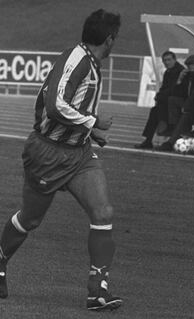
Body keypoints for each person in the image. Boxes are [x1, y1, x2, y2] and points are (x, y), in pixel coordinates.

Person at [0, 9, 123, 311]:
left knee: (103, 212)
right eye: (114, 38)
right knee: (30, 218)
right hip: (47, 153)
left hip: (79, 154)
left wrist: (90, 134)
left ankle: (98, 291)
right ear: (108, 39)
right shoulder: (77, 61)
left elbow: (70, 105)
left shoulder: (90, 61)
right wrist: (92, 123)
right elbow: (55, 106)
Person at [135, 51, 185, 149]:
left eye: (169, 60)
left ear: (174, 60)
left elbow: (175, 89)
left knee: (159, 108)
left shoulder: (180, 71)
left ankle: (164, 130)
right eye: (165, 60)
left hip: (177, 101)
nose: (167, 62)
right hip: (168, 101)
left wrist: (160, 95)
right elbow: (165, 88)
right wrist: (159, 95)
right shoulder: (168, 72)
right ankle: (149, 139)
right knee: (155, 110)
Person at [158, 55, 194, 151]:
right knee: (171, 100)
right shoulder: (188, 74)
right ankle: (173, 127)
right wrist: (180, 79)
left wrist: (186, 104)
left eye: (193, 64)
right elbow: (178, 92)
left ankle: (172, 140)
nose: (191, 67)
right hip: (188, 100)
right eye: (188, 65)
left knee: (186, 113)